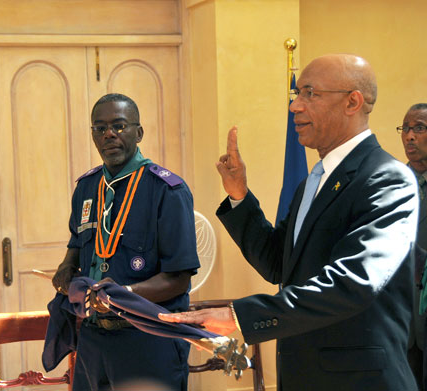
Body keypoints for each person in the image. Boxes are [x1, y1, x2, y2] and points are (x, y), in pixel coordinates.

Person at [160, 54, 419, 391]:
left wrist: (240, 316)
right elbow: (278, 264)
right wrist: (239, 196)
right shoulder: (315, 181)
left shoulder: (387, 180)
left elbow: (355, 281)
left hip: (358, 380)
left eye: (310, 93)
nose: (295, 106)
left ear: (352, 102)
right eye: (297, 94)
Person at [51, 93, 200, 391]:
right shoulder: (86, 188)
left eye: (119, 126)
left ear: (139, 132)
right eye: (100, 128)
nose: (109, 134)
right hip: (94, 339)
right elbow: (76, 249)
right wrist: (65, 271)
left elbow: (178, 279)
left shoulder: (168, 190)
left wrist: (123, 295)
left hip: (148, 339)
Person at [400, 103, 427, 390]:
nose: (409, 136)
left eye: (418, 128)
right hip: (401, 321)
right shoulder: (390, 183)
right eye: (405, 129)